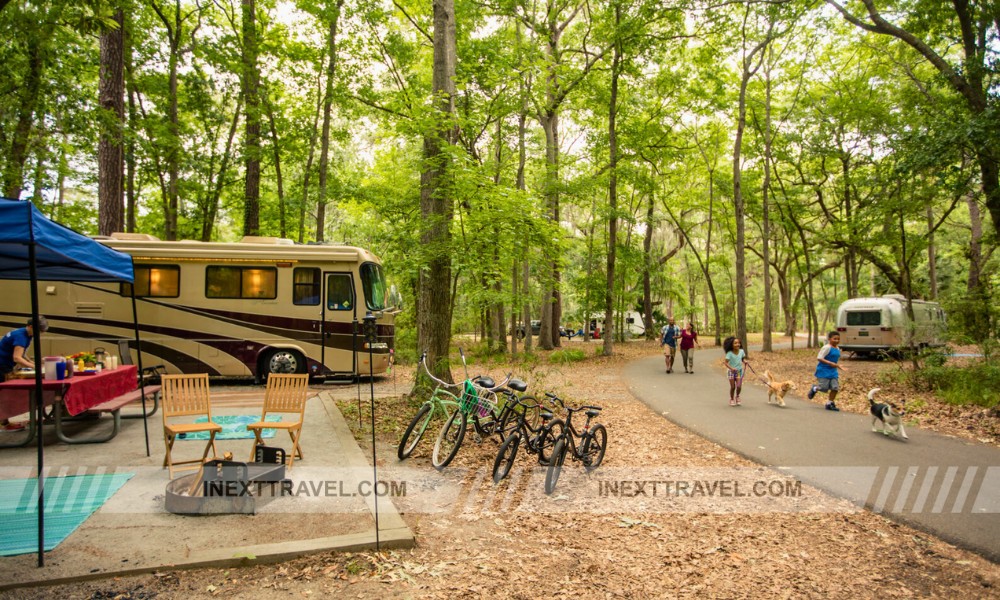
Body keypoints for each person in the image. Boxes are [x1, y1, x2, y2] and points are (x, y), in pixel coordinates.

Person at [0, 316, 49, 431]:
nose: (40, 334)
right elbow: (17, 357)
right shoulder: (21, 336)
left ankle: (4, 421)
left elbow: (21, 352)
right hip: (1, 365)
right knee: (3, 394)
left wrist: (31, 362)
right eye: (39, 331)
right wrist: (35, 367)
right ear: (31, 327)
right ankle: (4, 423)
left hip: (4, 364)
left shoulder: (25, 333)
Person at [808, 331, 846, 411]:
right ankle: (814, 388)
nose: (836, 340)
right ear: (829, 339)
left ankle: (829, 403)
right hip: (823, 370)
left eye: (838, 339)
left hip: (833, 371)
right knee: (823, 388)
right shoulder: (826, 347)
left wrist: (838, 366)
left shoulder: (838, 348)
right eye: (834, 339)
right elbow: (819, 358)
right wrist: (829, 363)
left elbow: (835, 360)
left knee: (835, 388)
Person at [723, 336, 749, 406]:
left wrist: (745, 361)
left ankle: (737, 396)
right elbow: (725, 363)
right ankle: (731, 399)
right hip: (731, 371)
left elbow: (742, 359)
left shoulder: (741, 351)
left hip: (738, 371)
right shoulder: (729, 353)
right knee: (733, 387)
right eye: (735, 343)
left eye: (738, 343)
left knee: (739, 386)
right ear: (731, 345)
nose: (738, 344)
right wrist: (731, 368)